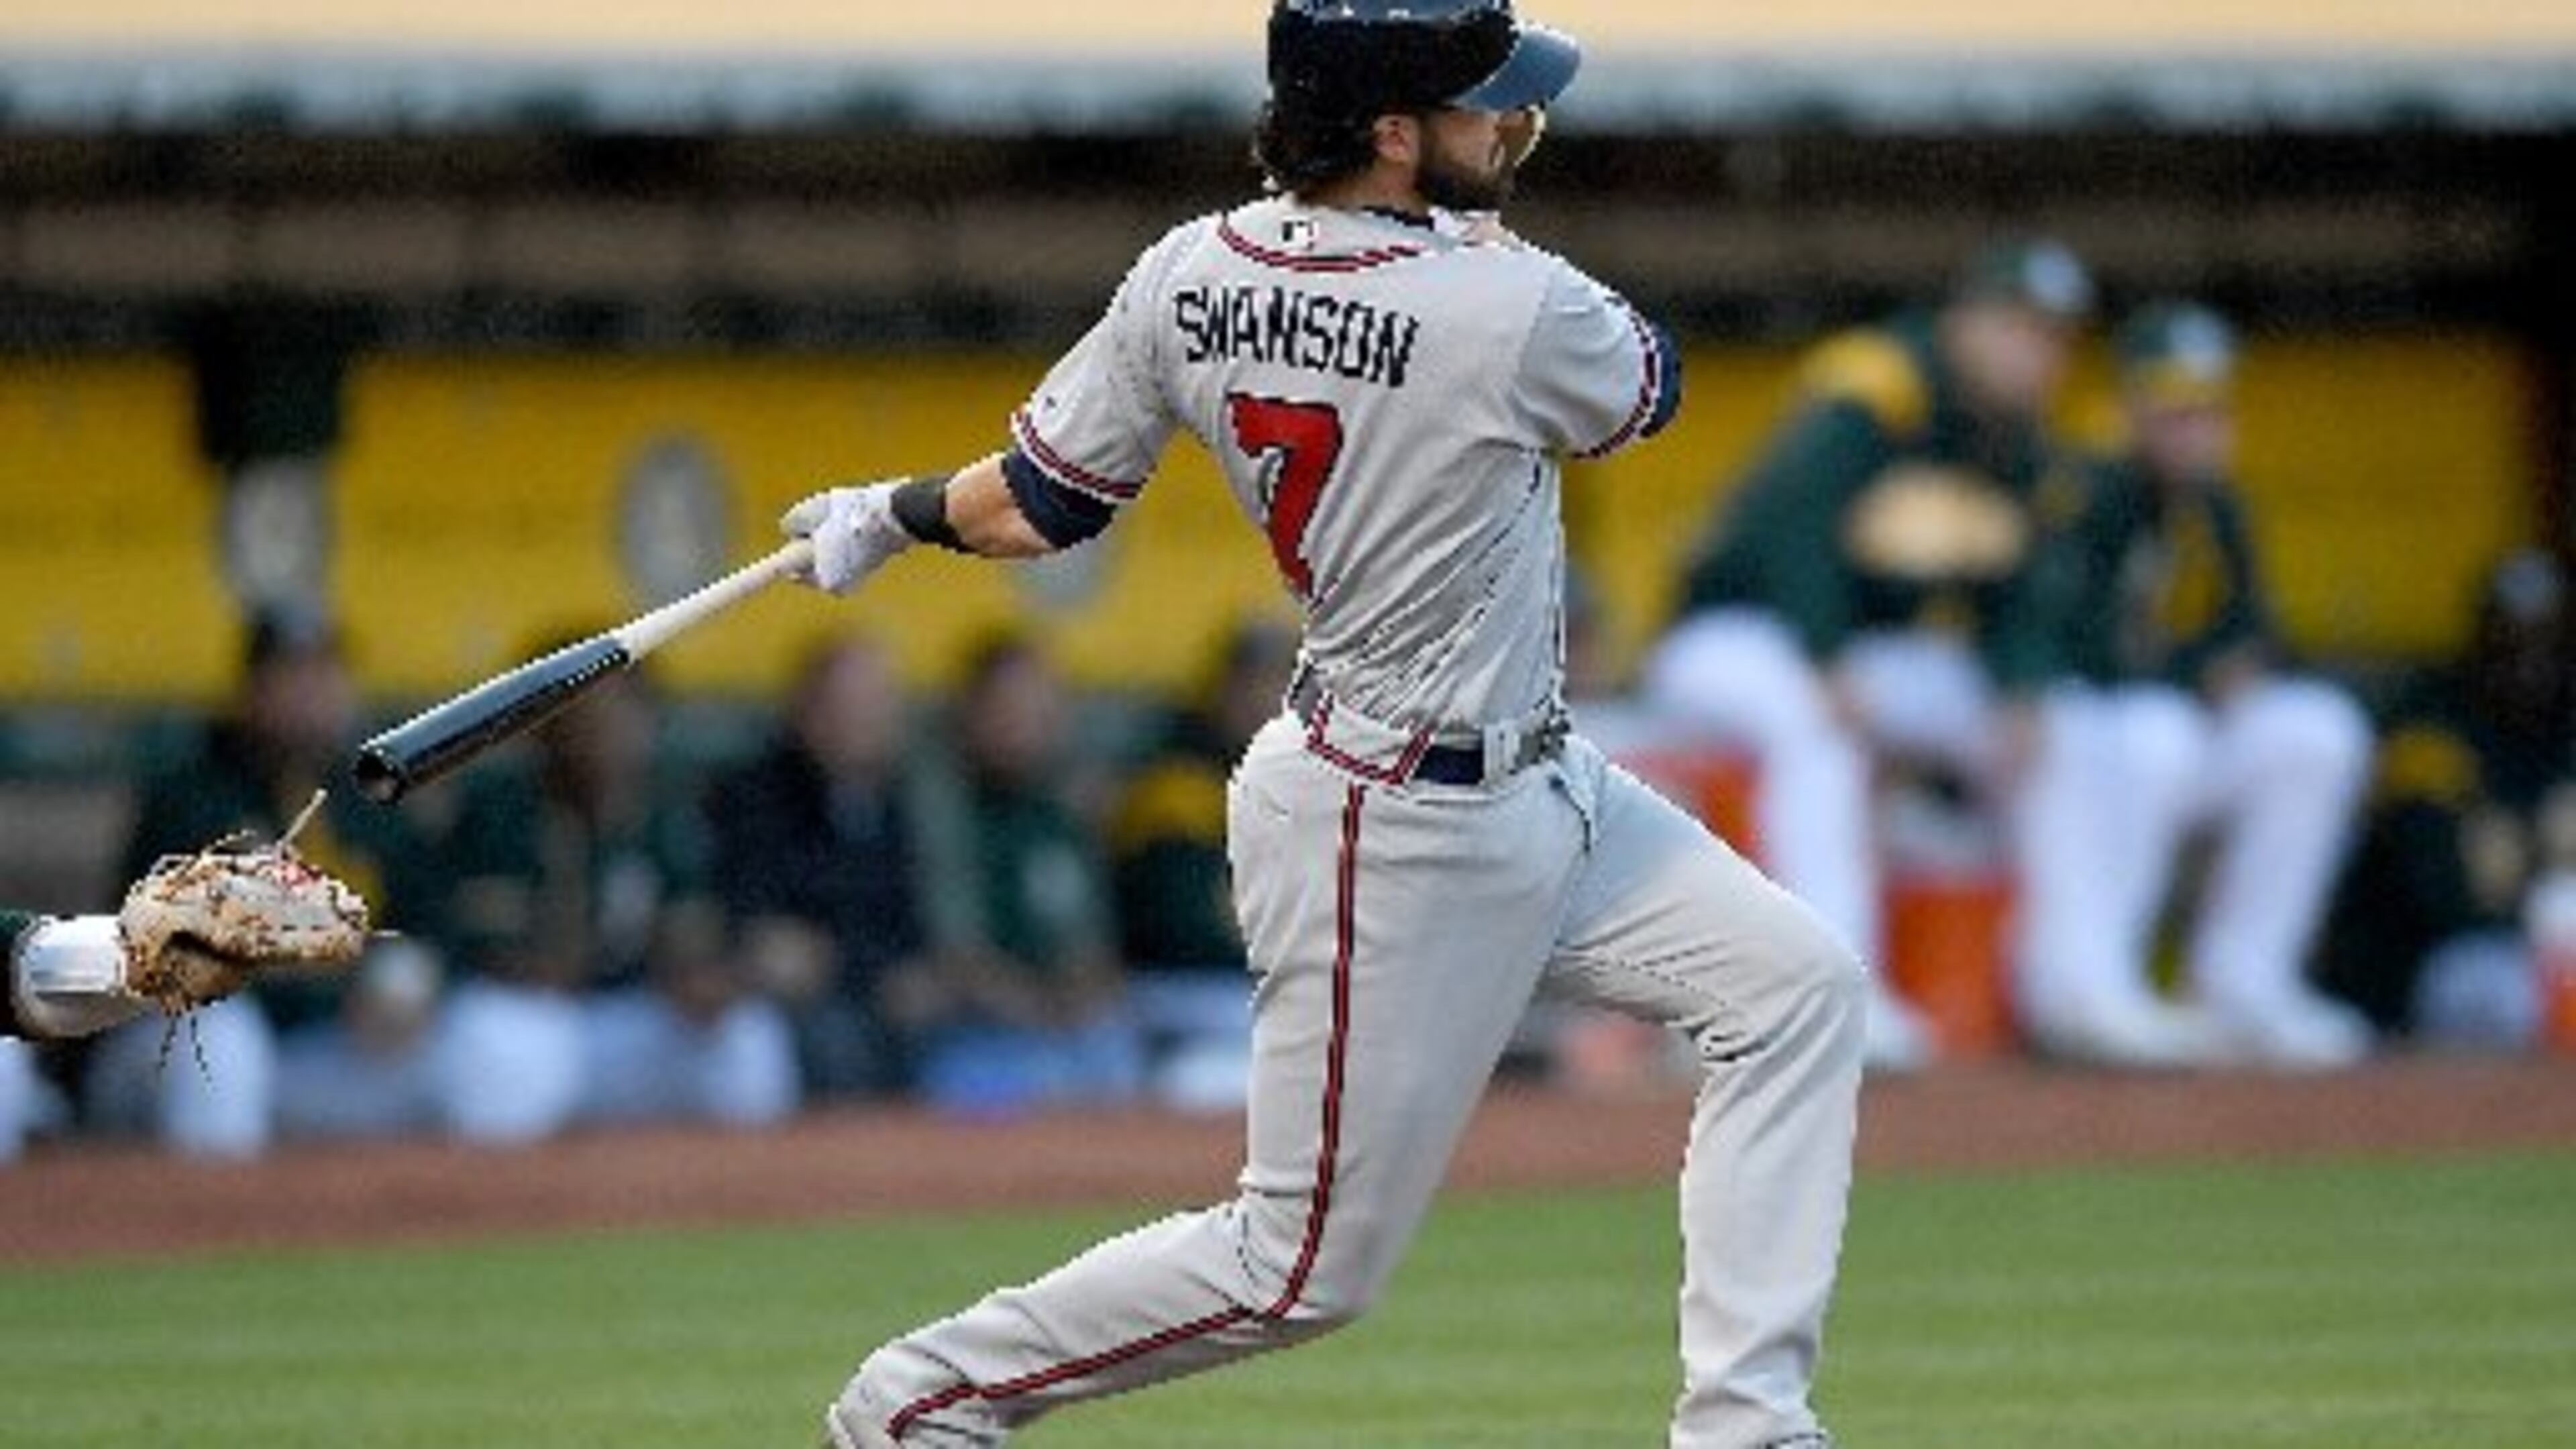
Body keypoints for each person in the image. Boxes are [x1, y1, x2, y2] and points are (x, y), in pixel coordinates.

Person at [780, 5, 1864, 1444]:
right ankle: (919, 1402)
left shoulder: (1191, 267)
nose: (1515, 130)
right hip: (1394, 816)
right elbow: (1647, 387)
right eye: (1485, 110)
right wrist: (1467, 252)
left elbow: (1042, 505)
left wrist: (894, 513)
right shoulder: (1505, 300)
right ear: (1395, 134)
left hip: (1532, 781)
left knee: (1793, 989)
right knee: (1298, 1268)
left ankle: (1746, 1425)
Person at [1642, 233, 2098, 1071]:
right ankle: (1829, 994)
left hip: (1867, 653)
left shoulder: (2019, 439)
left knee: (2051, 733)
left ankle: (2079, 985)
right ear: (1967, 321)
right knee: (1820, 732)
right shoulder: (1879, 383)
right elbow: (1791, 528)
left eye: (2051, 336)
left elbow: (2024, 591)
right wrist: (1823, 655)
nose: (2033, 352)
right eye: (2018, 326)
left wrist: (2023, 688)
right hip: (1737, 635)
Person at [2017, 302, 2375, 1069]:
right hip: (2076, 741)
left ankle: (2246, 982)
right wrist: (2193, 672)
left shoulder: (2214, 501)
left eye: (2208, 409)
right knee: (2158, 731)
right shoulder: (2090, 488)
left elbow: (2255, 631)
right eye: (2176, 409)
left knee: (2316, 730)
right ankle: (2092, 987)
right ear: (2131, 405)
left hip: (2166, 732)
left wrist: (2227, 669)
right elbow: (2078, 645)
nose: (2195, 428)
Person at [84, 603, 435, 1158]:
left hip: (316, 1049)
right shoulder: (194, 794)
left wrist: (400, 981)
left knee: (471, 1061)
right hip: (163, 1045)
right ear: (251, 689)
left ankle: (407, 1225)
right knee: (224, 1045)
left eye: (324, 671)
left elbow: (425, 921)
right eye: (291, 675)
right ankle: (206, 1230)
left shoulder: (364, 796)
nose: (312, 692)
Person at [441, 651, 796, 1142]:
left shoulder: (663, 811)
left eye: (628, 712)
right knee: (494, 1037)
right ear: (549, 729)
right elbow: (497, 953)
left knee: (744, 1036)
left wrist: (711, 978)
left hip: (630, 1017)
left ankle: (730, 1198)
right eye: (588, 717)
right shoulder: (504, 809)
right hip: (538, 1020)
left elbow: (690, 937)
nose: (610, 733)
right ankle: (501, 1203)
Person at [2322, 547, 2575, 1046]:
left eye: (2546, 642)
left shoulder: (2566, 719)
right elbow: (2446, 891)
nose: (2530, 664)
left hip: (2531, 940)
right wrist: (2541, 847)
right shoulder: (2430, 721)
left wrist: (2521, 855)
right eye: (2511, 643)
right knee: (2502, 996)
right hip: (2432, 964)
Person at [904, 632, 1142, 1116]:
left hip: (1069, 1029)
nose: (1022, 726)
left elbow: (1092, 940)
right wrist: (1032, 1004)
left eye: (1037, 710)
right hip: (968, 1030)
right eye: (1006, 709)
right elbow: (954, 951)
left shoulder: (1066, 807)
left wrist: (1084, 985)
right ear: (969, 711)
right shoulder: (935, 803)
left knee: (1118, 1058)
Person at [711, 631, 946, 1100]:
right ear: (806, 711)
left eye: (879, 707)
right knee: (830, 1043)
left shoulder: (901, 801)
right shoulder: (755, 796)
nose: (870, 722)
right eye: (851, 707)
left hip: (881, 986)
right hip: (796, 1000)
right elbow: (755, 918)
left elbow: (910, 914)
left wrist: (919, 971)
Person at [1108, 614, 1298, 1111]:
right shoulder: (1178, 785)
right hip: (1181, 990)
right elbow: (1191, 929)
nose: (1274, 700)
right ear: (1225, 691)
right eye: (1258, 682)